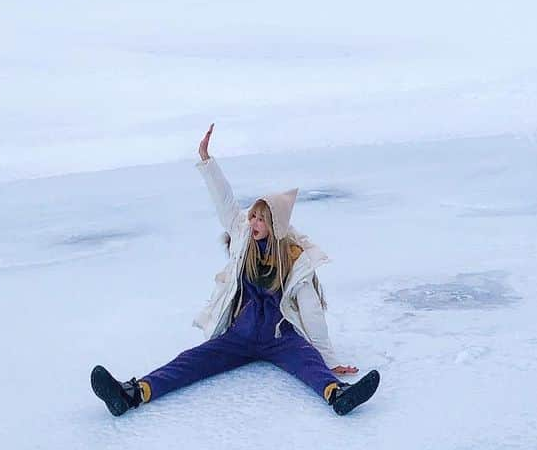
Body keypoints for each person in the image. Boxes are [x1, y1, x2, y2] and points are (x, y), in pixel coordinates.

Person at [90, 123, 380, 417]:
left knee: (309, 363)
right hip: (239, 335)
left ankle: (338, 395)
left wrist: (328, 358)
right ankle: (132, 393)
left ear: (275, 225)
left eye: (260, 219)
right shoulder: (242, 236)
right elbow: (225, 202)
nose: (252, 222)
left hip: (280, 339)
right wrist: (207, 161)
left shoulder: (294, 258)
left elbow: (311, 309)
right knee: (191, 361)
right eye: (253, 215)